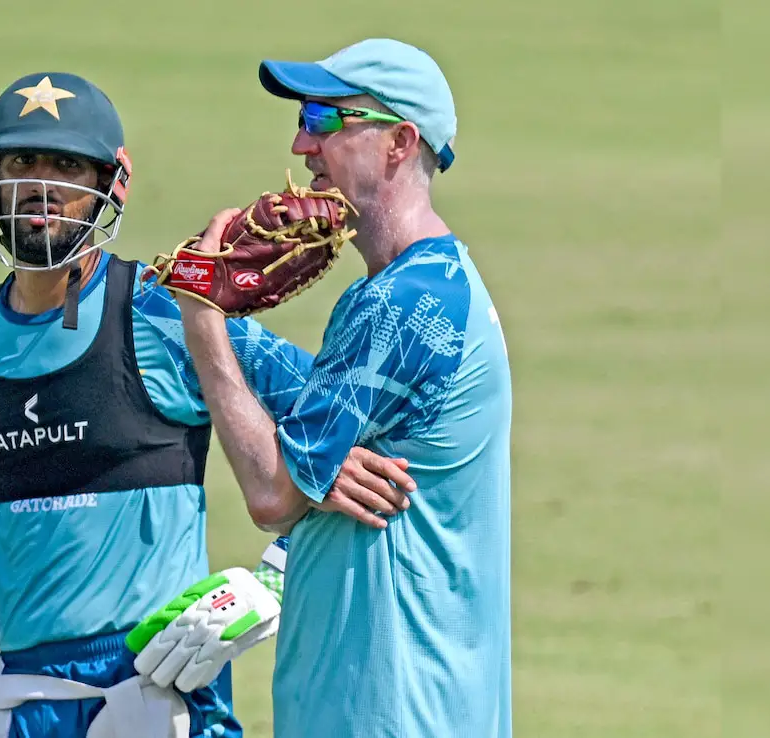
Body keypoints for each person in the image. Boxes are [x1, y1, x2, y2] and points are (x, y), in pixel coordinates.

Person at [0, 70, 416, 738]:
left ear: (112, 184)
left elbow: (350, 427)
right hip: (19, 707)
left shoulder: (165, 309)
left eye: (67, 166)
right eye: (21, 161)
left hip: (162, 695)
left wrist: (277, 579)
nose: (42, 187)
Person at [170, 39, 514, 738]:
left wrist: (203, 317)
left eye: (327, 118)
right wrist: (314, 461)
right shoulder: (429, 288)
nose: (302, 143)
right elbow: (324, 414)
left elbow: (271, 494)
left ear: (399, 142)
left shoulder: (403, 303)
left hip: (391, 712)